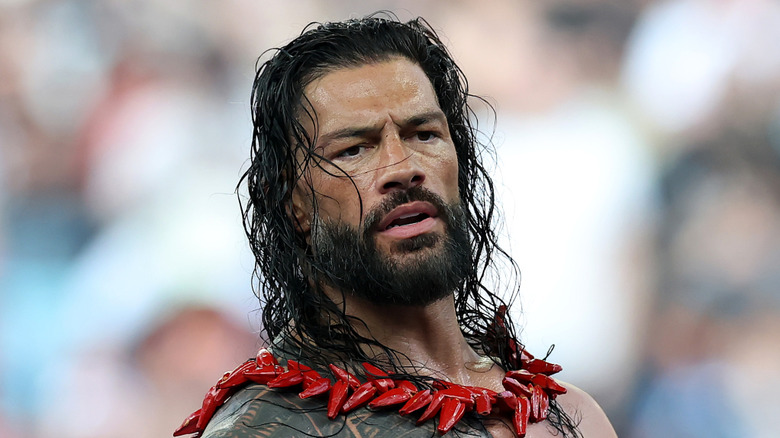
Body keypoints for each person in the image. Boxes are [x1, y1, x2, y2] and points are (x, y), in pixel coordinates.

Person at [175, 15, 616, 438]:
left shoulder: (569, 416)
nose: (402, 168)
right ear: (293, 204)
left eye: (424, 134)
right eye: (353, 150)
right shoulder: (262, 431)